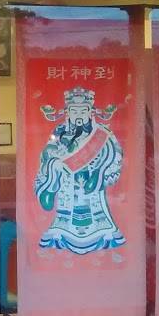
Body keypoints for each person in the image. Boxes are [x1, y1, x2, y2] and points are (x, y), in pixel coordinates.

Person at [34, 86, 125, 254]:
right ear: (68, 113)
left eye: (83, 111)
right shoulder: (59, 133)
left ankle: (101, 232)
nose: (79, 115)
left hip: (92, 177)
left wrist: (101, 172)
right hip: (67, 180)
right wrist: (54, 163)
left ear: (90, 112)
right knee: (66, 214)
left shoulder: (102, 133)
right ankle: (62, 231)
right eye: (74, 111)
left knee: (96, 212)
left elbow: (116, 154)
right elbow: (47, 153)